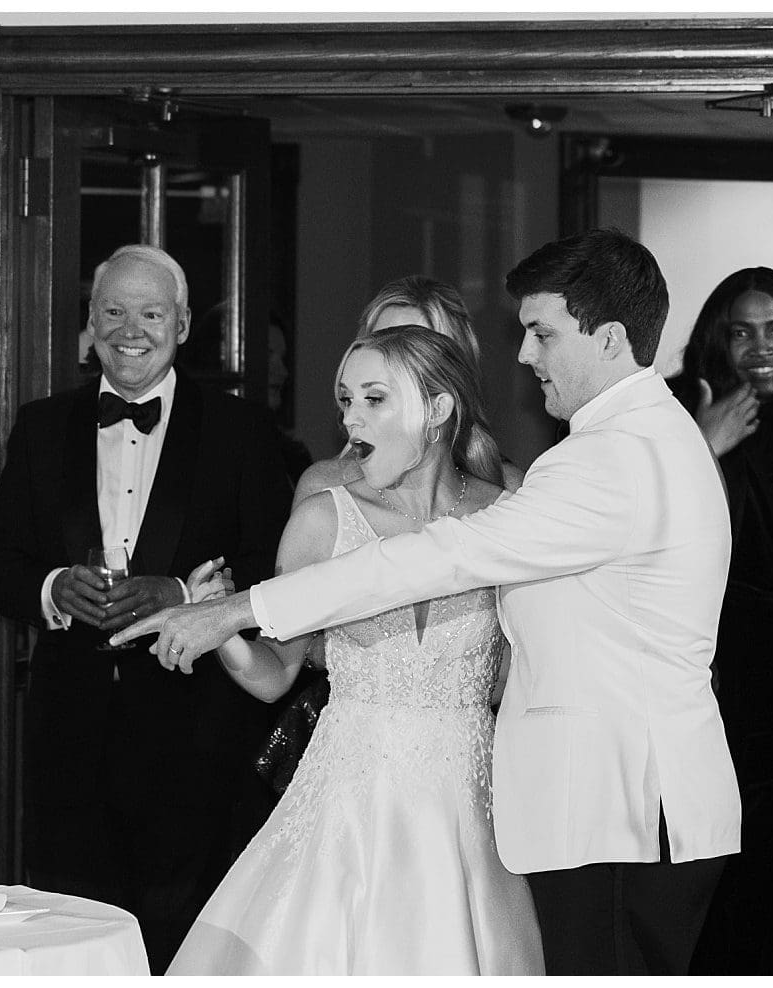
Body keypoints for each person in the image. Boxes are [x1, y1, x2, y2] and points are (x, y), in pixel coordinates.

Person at [114, 229, 741, 976]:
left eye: (543, 333)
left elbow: (445, 556)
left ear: (608, 339)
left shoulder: (602, 462)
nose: (524, 355)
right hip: (625, 805)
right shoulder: (659, 437)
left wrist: (233, 609)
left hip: (618, 811)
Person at [163, 326, 541, 974]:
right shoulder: (323, 518)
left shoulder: (507, 518)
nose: (350, 419)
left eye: (373, 399)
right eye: (345, 400)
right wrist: (224, 633)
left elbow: (516, 676)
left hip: (470, 829)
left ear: (440, 409)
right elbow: (276, 676)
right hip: (344, 822)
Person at [0, 244, 293, 973]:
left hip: (197, 732)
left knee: (183, 935)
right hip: (69, 734)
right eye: (112, 311)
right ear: (89, 322)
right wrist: (54, 586)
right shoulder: (41, 426)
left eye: (150, 313)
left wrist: (182, 595)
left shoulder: (240, 432)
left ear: (181, 325)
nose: (130, 329)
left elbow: (274, 563)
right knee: (71, 933)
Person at [668, 267, 773, 974]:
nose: (761, 347)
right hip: (718, 657)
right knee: (723, 846)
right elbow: (647, 526)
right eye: (742, 331)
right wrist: (702, 444)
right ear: (718, 336)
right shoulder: (686, 404)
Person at [294, 275, 522, 501]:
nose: (394, 361)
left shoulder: (510, 491)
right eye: (381, 342)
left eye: (416, 347)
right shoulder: (324, 488)